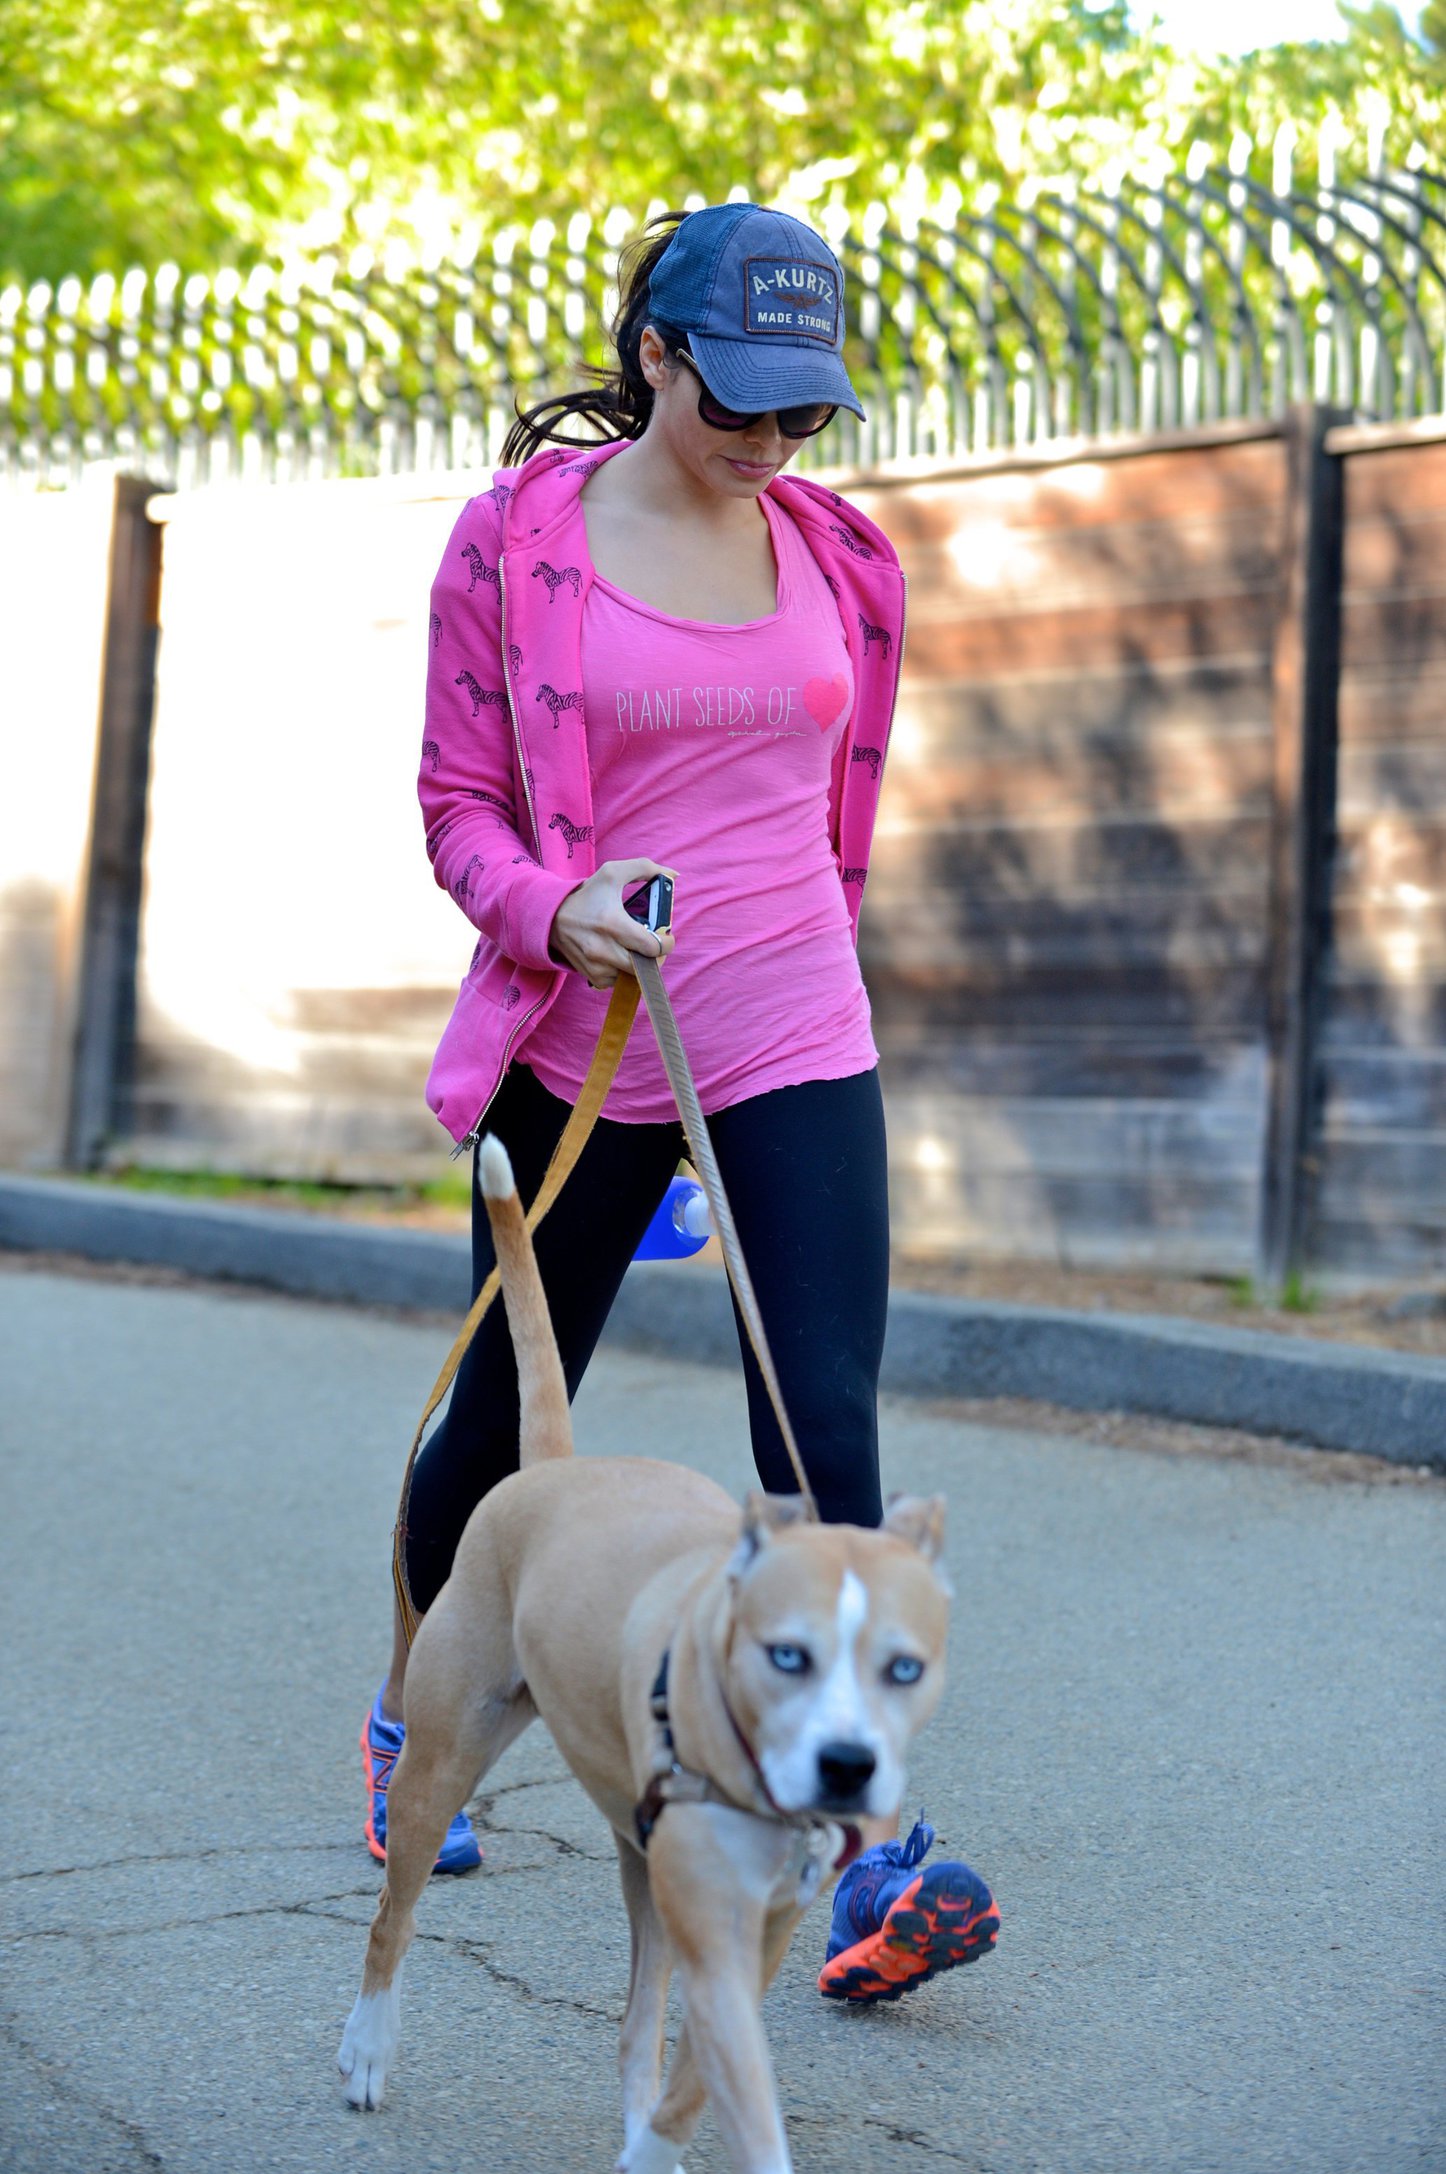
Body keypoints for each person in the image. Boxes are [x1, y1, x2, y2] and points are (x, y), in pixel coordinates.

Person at [360, 201, 1000, 2004]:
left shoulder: (843, 558)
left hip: (794, 1018)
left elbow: (822, 803)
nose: (770, 444)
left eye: (805, 415)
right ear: (653, 351)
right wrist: (545, 906)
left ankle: (868, 1845)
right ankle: (418, 1716)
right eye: (740, 403)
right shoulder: (514, 544)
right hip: (587, 1039)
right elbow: (455, 804)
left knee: (823, 1424)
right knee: (505, 1412)